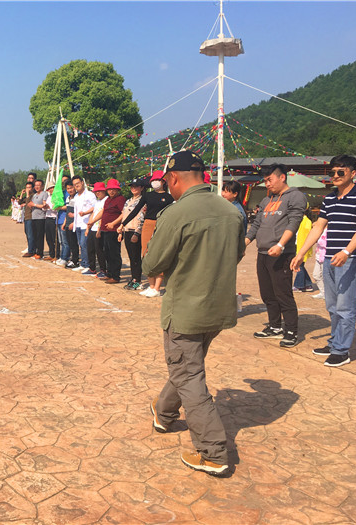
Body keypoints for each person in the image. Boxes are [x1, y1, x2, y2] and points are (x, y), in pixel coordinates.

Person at [143, 150, 245, 477]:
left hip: (186, 310)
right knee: (188, 365)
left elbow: (152, 265)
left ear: (173, 178)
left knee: (189, 376)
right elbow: (237, 253)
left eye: (166, 182)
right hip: (218, 308)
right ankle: (164, 413)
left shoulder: (177, 213)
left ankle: (213, 452)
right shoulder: (231, 211)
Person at [291, 154, 356, 367]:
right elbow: (318, 227)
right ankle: (335, 342)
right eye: (332, 172)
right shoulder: (330, 198)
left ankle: (341, 351)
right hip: (329, 259)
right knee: (333, 306)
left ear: (353, 173)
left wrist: (346, 252)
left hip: (351, 260)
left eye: (340, 171)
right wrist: (301, 253)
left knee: (345, 307)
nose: (335, 175)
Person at [246, 163, 307, 348]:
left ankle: (291, 331)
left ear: (282, 177)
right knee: (267, 293)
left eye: (270, 180)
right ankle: (274, 327)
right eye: (265, 181)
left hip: (282, 253)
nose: (267, 184)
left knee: (283, 294)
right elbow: (257, 225)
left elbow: (294, 223)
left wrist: (280, 245)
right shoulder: (267, 200)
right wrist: (245, 242)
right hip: (263, 253)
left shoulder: (295, 196)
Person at [120, 170, 174, 297]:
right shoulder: (148, 196)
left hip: (162, 225)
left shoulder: (169, 197)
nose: (155, 182)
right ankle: (151, 286)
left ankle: (157, 287)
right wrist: (123, 223)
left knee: (159, 254)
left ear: (163, 181)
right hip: (148, 225)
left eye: (158, 180)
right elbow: (136, 210)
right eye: (153, 180)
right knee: (146, 254)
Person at [88, 179, 126, 283]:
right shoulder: (108, 200)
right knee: (107, 253)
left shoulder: (120, 199)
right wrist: (93, 221)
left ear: (117, 190)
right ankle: (109, 274)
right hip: (105, 230)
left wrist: (113, 223)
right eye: (109, 189)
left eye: (113, 189)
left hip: (114, 230)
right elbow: (103, 212)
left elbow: (123, 213)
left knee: (114, 253)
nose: (111, 191)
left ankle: (115, 276)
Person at [120, 178, 149, 290]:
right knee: (131, 256)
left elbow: (142, 217)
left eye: (136, 186)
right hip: (127, 230)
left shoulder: (143, 200)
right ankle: (133, 278)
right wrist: (121, 229)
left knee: (136, 257)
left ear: (142, 188)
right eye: (132, 186)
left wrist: (137, 232)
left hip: (136, 231)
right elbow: (124, 215)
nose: (134, 188)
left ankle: (138, 280)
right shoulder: (128, 201)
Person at [71, 176, 96, 271]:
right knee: (81, 244)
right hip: (78, 224)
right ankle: (83, 263)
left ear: (82, 182)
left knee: (84, 244)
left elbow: (95, 207)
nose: (76, 185)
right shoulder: (76, 196)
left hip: (86, 223)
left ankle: (87, 265)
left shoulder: (90, 195)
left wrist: (85, 213)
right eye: (74, 184)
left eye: (78, 183)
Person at [84, 182, 107, 277]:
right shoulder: (97, 202)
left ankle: (103, 270)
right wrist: (88, 227)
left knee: (99, 250)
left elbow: (103, 215)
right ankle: (92, 268)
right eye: (96, 191)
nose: (97, 193)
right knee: (90, 248)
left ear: (104, 191)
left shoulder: (106, 200)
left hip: (99, 228)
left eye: (99, 191)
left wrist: (99, 229)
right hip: (92, 228)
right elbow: (93, 214)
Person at [292, 206, 314, 292]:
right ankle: (308, 284)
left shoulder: (307, 221)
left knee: (299, 265)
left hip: (302, 246)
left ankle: (299, 285)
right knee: (300, 265)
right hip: (297, 245)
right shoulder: (300, 220)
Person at [28, 179, 49, 259]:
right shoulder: (34, 195)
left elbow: (44, 205)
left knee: (40, 236)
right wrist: (31, 205)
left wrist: (34, 205)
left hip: (41, 218)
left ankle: (40, 253)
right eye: (35, 185)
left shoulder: (44, 194)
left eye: (38, 185)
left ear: (42, 186)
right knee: (35, 235)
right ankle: (36, 251)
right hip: (34, 217)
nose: (37, 187)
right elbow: (32, 204)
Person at [19, 182, 35, 257]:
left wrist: (28, 194)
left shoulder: (33, 196)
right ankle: (30, 248)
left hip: (31, 217)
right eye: (27, 187)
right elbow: (20, 202)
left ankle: (31, 250)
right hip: (26, 217)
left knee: (30, 234)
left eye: (29, 187)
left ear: (32, 188)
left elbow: (28, 203)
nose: (28, 189)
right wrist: (22, 194)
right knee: (27, 233)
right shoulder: (27, 196)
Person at [43, 183, 58, 261]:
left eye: (52, 188)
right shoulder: (48, 197)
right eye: (50, 188)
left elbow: (57, 207)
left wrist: (49, 207)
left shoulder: (57, 197)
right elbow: (45, 208)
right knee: (48, 238)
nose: (51, 190)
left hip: (54, 218)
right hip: (47, 217)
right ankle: (51, 254)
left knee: (54, 238)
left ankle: (56, 255)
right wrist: (44, 207)